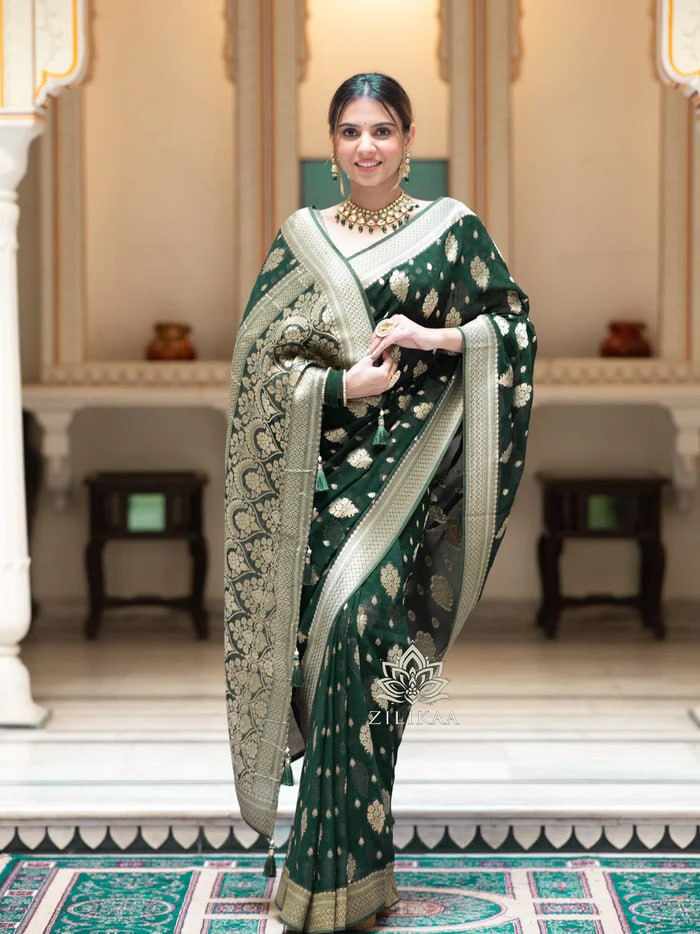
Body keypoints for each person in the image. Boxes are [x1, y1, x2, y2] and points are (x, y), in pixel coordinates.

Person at [224, 72, 537, 932]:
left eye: (383, 130)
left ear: (407, 141)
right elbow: (259, 372)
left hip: (410, 479)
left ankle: (347, 868)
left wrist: (438, 336)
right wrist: (340, 386)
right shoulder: (301, 239)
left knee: (365, 633)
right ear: (332, 145)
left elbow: (513, 329)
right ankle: (333, 872)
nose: (367, 146)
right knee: (328, 660)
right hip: (318, 485)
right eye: (351, 131)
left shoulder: (453, 230)